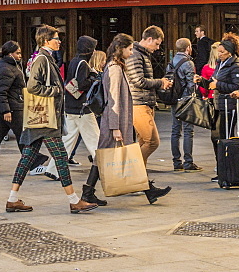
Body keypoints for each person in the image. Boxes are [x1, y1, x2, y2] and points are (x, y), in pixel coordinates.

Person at [5, 25, 97, 214]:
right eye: (56, 38)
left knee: (27, 158)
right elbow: (32, 87)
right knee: (61, 158)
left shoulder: (44, 58)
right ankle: (74, 201)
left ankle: (12, 199)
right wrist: (56, 91)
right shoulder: (42, 59)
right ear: (46, 41)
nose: (59, 41)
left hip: (40, 119)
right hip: (45, 118)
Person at [84, 33, 171, 205]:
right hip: (114, 120)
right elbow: (113, 99)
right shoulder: (114, 68)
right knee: (105, 156)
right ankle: (87, 193)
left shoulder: (116, 66)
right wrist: (115, 127)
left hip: (115, 120)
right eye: (129, 49)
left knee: (105, 155)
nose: (131, 53)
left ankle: (147, 190)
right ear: (120, 49)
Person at [43, 36, 105, 194]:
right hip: (82, 109)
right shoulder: (83, 64)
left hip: (70, 107)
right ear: (89, 49)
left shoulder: (74, 61)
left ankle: (53, 169)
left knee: (68, 140)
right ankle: (107, 171)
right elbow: (81, 84)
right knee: (95, 141)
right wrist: (93, 78)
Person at [0, 40, 47, 174]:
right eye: (17, 53)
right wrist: (6, 110)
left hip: (11, 106)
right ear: (9, 54)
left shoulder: (10, 66)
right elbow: (0, 91)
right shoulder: (5, 68)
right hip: (12, 107)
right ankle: (32, 165)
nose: (20, 55)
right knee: (23, 136)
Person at [125, 25, 172, 168]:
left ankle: (140, 179)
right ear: (149, 39)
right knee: (152, 142)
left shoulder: (140, 54)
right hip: (138, 103)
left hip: (143, 102)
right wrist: (160, 82)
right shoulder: (136, 54)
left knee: (143, 142)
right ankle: (133, 170)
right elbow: (138, 81)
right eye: (157, 44)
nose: (158, 48)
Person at [199, 34, 239, 175]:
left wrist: (218, 84)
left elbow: (237, 86)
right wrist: (201, 81)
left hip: (230, 105)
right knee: (216, 137)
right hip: (219, 104)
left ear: (230, 52)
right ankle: (221, 166)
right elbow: (213, 83)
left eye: (222, 52)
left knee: (226, 137)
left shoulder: (236, 64)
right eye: (218, 51)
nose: (219, 55)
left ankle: (228, 169)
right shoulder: (220, 64)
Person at [167, 37, 201, 172]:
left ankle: (176, 162)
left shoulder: (171, 62)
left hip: (174, 99)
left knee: (175, 130)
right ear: (188, 48)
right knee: (188, 131)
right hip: (186, 100)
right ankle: (188, 162)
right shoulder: (188, 63)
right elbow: (191, 84)